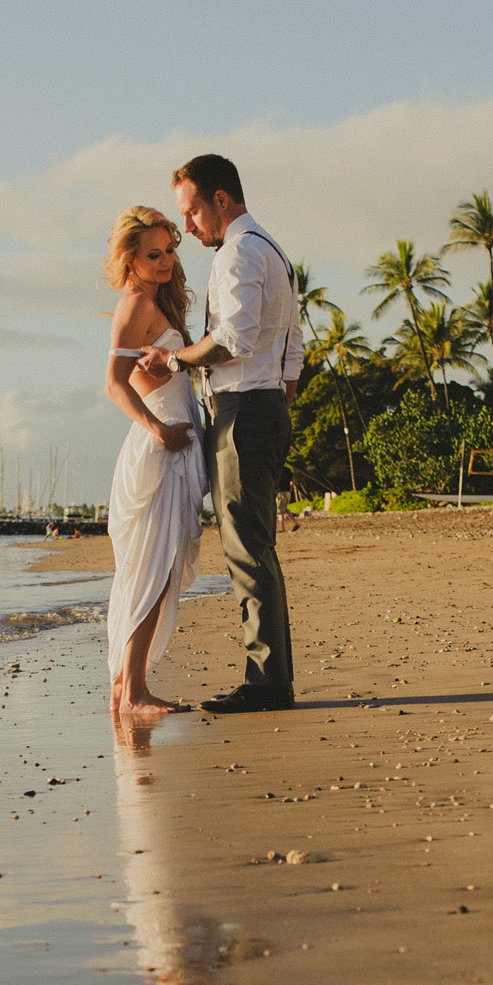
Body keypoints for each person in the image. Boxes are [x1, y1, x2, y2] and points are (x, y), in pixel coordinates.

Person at [136, 154, 301, 714]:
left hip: (243, 411)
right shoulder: (272, 249)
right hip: (264, 406)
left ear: (220, 200)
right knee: (256, 547)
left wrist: (174, 359)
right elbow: (292, 349)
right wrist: (277, 403)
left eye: (191, 212)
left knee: (247, 550)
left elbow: (231, 339)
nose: (187, 227)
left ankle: (267, 684)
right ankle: (270, 677)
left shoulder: (237, 253)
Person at [102, 206, 205, 716]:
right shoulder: (133, 305)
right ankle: (134, 690)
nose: (165, 261)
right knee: (151, 568)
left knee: (155, 568)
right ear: (130, 258)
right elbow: (113, 384)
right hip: (158, 449)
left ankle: (127, 684)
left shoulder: (155, 300)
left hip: (173, 443)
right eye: (152, 254)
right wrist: (157, 428)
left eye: (168, 251)